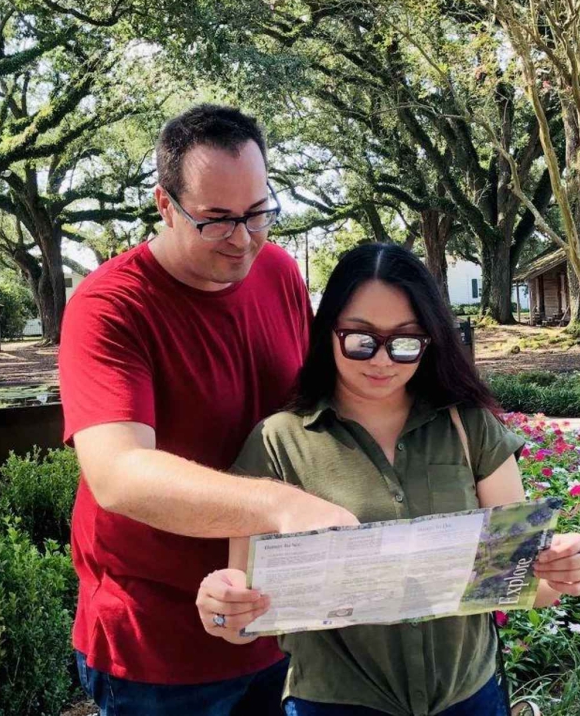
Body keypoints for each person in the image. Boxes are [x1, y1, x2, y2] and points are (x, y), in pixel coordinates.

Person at [196, 243, 580, 716]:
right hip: (335, 705)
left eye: (405, 341)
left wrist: (565, 570)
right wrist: (223, 606)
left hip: (470, 699)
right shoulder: (278, 443)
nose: (382, 361)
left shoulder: (468, 426)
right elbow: (242, 618)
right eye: (360, 339)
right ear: (328, 332)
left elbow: (526, 582)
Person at [60, 104, 356, 716]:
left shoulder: (278, 271)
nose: (243, 239)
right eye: (217, 220)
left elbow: (312, 411)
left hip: (273, 618)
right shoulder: (109, 306)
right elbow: (118, 473)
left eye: (257, 213)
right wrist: (281, 506)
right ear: (165, 205)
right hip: (157, 649)